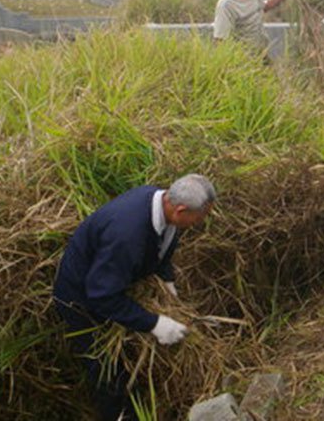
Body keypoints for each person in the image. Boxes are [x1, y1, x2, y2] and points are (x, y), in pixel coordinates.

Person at [53, 174, 216, 421]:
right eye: (200, 217)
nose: (200, 222)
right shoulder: (127, 235)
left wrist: (167, 278)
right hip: (81, 298)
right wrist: (154, 324)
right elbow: (101, 296)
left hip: (109, 278)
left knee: (124, 359)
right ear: (181, 210)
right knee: (107, 369)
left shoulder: (162, 204)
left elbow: (163, 244)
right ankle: (118, 414)